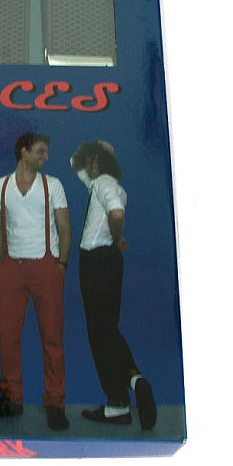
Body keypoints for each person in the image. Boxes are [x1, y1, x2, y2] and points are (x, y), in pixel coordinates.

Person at [0, 132, 72, 431]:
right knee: (7, 337)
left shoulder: (53, 185)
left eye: (45, 152)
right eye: (40, 151)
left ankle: (55, 402)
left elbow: (64, 226)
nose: (45, 157)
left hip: (46, 266)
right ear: (24, 152)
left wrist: (61, 264)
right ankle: (11, 399)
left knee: (52, 338)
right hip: (11, 268)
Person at [70, 139, 157, 429]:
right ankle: (129, 386)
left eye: (95, 160)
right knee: (108, 330)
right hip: (109, 263)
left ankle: (122, 398)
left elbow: (116, 213)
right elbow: (74, 162)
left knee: (99, 335)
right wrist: (95, 147)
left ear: (104, 164)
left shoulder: (104, 183)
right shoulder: (103, 184)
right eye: (90, 159)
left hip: (96, 262)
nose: (90, 164)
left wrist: (117, 237)